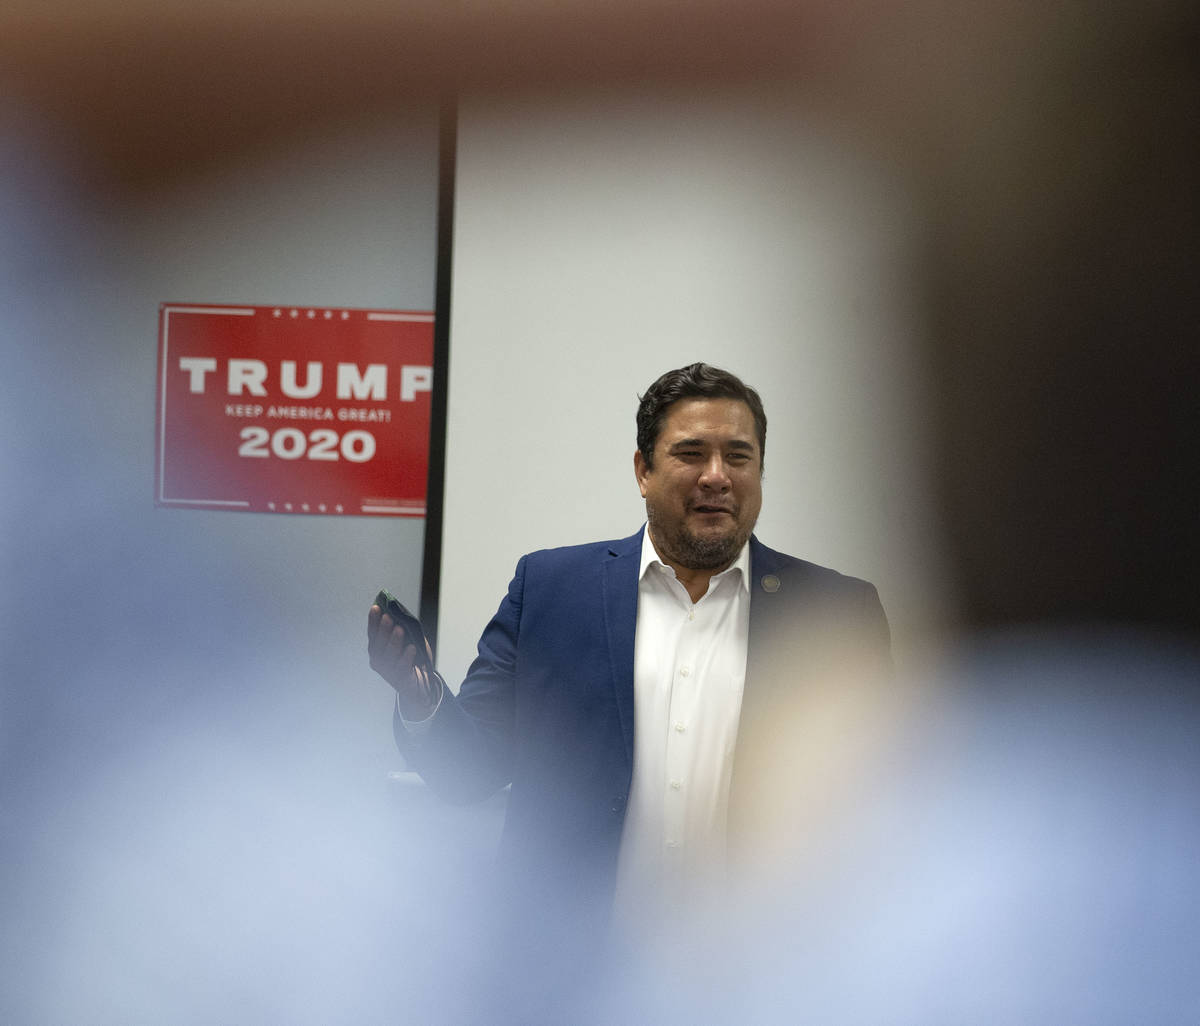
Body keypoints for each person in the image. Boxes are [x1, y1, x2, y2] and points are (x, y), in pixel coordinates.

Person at [367, 362, 890, 950]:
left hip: (768, 978)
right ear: (643, 470)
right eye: (691, 453)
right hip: (575, 978)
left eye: (738, 457)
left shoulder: (833, 614)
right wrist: (420, 694)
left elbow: (880, 814)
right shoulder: (550, 590)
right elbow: (469, 773)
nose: (717, 476)